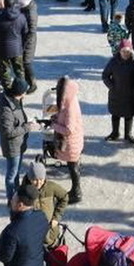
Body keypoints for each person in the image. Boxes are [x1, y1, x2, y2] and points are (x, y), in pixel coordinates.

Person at [47, 76, 84, 204]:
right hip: (72, 141)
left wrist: (53, 126)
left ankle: (77, 192)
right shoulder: (69, 101)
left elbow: (69, 130)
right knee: (73, 165)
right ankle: (75, 190)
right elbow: (62, 114)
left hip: (71, 142)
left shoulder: (70, 107)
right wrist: (56, 117)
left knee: (73, 166)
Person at [0, 75, 33, 203]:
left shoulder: (16, 102)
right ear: (19, 92)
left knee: (16, 172)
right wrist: (26, 127)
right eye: (24, 92)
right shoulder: (6, 110)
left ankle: (17, 195)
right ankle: (11, 200)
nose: (25, 94)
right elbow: (8, 132)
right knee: (12, 175)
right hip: (13, 147)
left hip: (19, 144)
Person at [102, 45, 134, 144]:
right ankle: (115, 133)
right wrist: (112, 86)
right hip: (116, 93)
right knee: (115, 114)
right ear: (120, 51)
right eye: (123, 51)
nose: (125, 54)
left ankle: (128, 134)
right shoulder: (113, 62)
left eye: (128, 51)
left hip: (130, 95)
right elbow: (105, 75)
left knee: (129, 115)